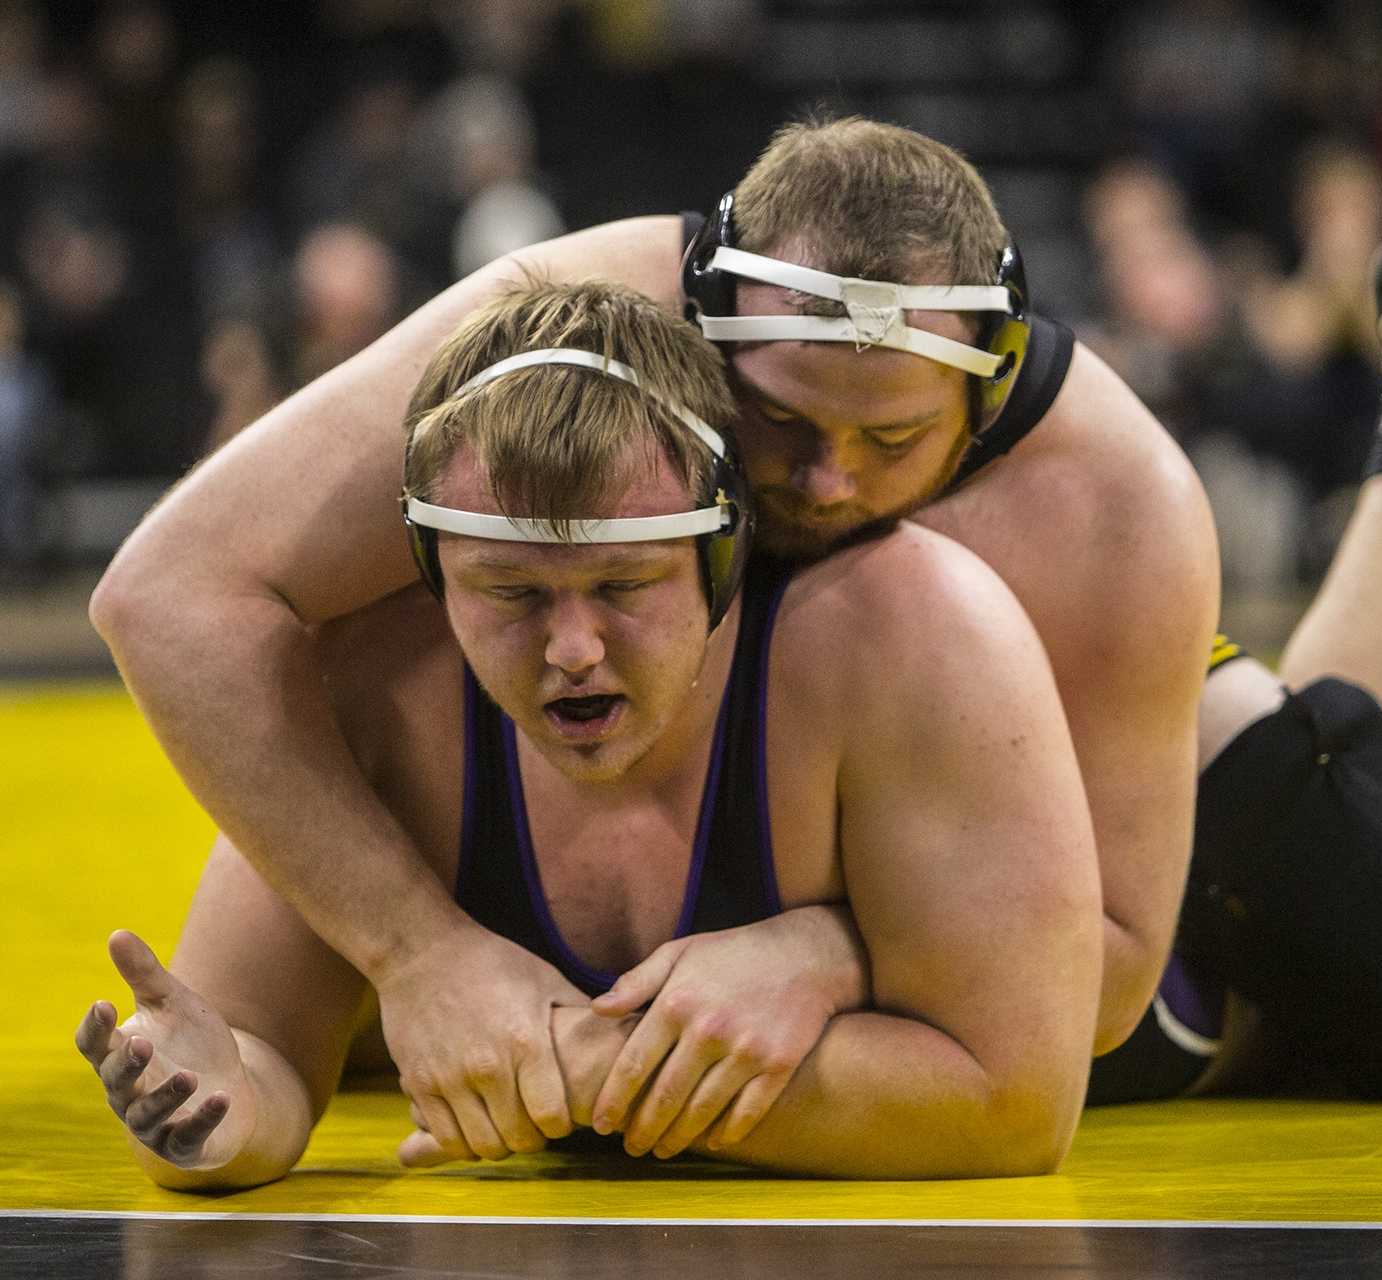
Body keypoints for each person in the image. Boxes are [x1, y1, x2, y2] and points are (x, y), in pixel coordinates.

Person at [90, 118, 1382, 1162]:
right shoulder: (572, 341)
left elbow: (1117, 971)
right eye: (775, 434)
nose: (827, 483)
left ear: (983, 387)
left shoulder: (1115, 506)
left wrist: (830, 955)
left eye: (892, 444)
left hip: (1076, 799)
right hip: (811, 797)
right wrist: (411, 955)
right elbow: (177, 591)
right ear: (703, 334)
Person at [76, 278, 1103, 1186]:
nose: (571, 645)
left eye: (623, 585)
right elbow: (260, 1053)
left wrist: (563, 1068)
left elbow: (1013, 1099)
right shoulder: (375, 681)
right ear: (432, 576)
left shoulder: (912, 631)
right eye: (509, 592)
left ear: (722, 554)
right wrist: (213, 1112)